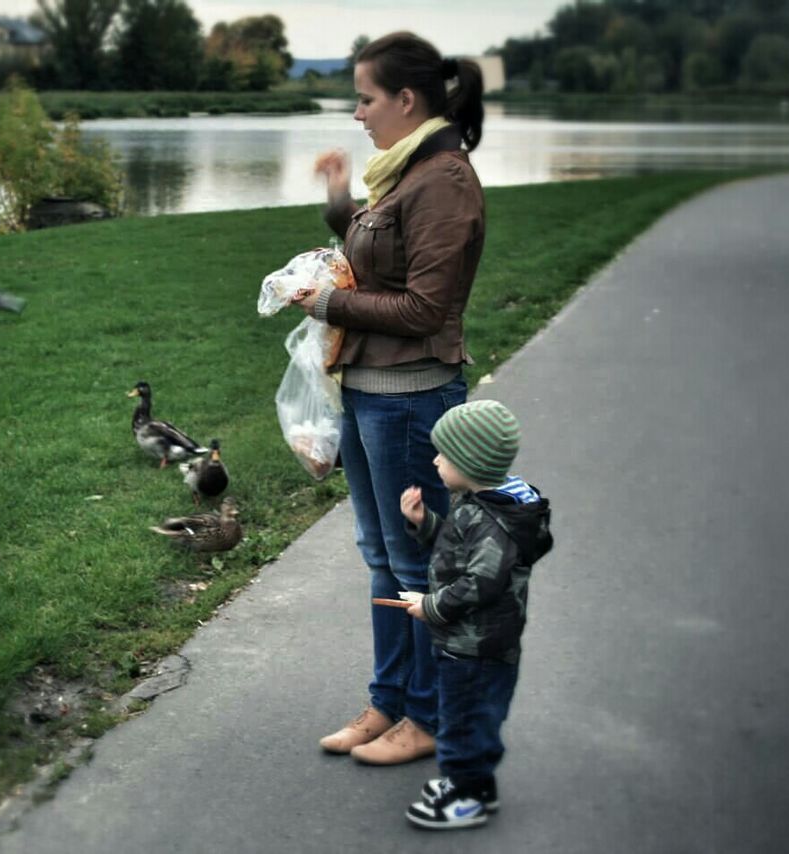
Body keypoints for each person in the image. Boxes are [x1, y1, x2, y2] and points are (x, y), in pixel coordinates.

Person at [291, 31, 486, 765]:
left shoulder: (443, 180)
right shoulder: (404, 173)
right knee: (383, 558)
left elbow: (424, 310)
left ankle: (427, 717)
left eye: (366, 98)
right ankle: (390, 703)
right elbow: (378, 247)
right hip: (371, 394)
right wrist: (341, 202)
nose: (358, 112)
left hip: (412, 399)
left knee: (418, 568)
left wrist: (328, 308)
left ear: (407, 100)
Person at [398, 399, 551, 830]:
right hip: (477, 639)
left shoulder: (492, 521)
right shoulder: (483, 503)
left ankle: (466, 796)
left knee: (464, 720)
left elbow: (480, 583)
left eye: (443, 455)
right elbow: (457, 552)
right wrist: (425, 521)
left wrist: (430, 606)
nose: (435, 460)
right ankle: (476, 784)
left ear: (471, 462)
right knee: (471, 715)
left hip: (475, 645)